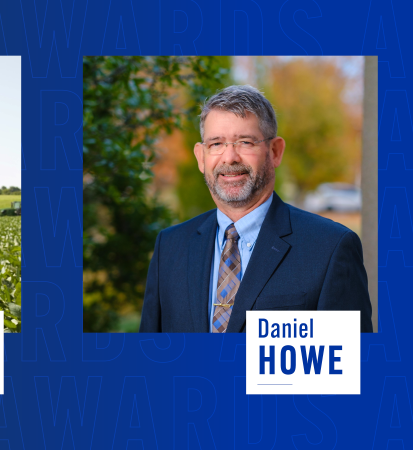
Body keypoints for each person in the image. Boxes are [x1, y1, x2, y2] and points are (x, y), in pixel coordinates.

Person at [139, 85, 373, 333]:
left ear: (274, 152)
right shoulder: (171, 246)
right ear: (201, 156)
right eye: (216, 143)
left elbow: (349, 366)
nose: (229, 158)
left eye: (245, 142)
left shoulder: (330, 248)